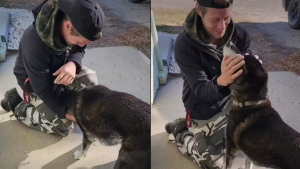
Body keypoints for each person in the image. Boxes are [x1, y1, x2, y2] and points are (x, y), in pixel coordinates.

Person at [165, 0, 261, 168]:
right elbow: (201, 90)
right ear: (199, 11)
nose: (222, 27)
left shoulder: (241, 35)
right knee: (213, 164)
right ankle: (180, 131)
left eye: (227, 18)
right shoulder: (184, 44)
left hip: (234, 100)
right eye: (215, 20)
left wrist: (253, 71)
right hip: (204, 107)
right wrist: (223, 80)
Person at [0, 0, 105, 137]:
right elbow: (44, 91)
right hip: (35, 84)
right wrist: (70, 114)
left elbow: (79, 49)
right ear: (68, 26)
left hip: (59, 72)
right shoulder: (34, 44)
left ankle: (66, 98)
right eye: (80, 41)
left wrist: (73, 63)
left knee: (90, 81)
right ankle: (15, 103)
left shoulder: (75, 22)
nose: (81, 44)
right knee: (63, 127)